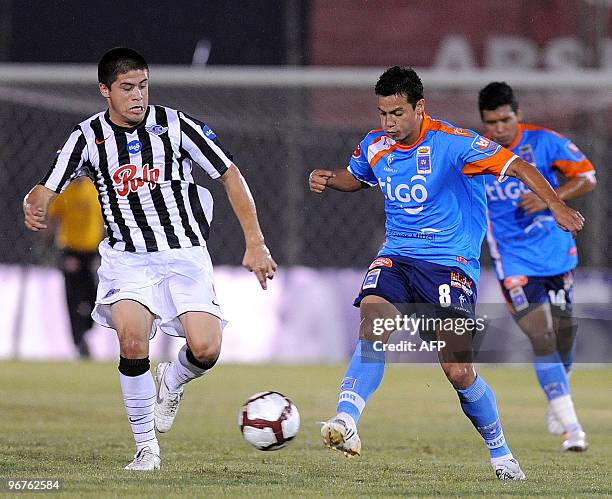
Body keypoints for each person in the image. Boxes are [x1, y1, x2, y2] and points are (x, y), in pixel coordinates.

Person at [309, 66, 584, 480]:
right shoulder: (375, 144)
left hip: (449, 267)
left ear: (420, 107)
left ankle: (501, 452)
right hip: (397, 257)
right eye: (383, 114)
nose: (388, 123)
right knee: (374, 318)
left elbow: (520, 168)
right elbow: (357, 177)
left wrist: (556, 204)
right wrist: (331, 179)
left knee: (458, 370)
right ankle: (346, 419)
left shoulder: (457, 144)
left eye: (397, 113)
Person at [23, 47, 277, 471]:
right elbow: (44, 188)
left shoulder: (175, 125)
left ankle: (173, 379)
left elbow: (230, 173)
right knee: (132, 339)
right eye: (127, 88)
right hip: (128, 260)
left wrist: (256, 242)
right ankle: (146, 449)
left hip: (185, 254)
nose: (138, 96)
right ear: (105, 90)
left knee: (207, 348)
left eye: (143, 86)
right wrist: (33, 203)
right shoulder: (86, 138)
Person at [478, 82, 596, 452]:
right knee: (541, 337)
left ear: (519, 114)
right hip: (512, 261)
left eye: (505, 119)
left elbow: (587, 177)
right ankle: (573, 428)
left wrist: (551, 198)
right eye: (491, 122)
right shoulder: (479, 154)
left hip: (556, 256)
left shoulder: (546, 142)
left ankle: (557, 395)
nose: (499, 128)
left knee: (565, 336)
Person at [47, 176, 104, 358]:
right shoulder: (64, 191)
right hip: (70, 251)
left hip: (91, 251)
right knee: (73, 296)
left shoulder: (95, 190)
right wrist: (48, 245)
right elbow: (53, 217)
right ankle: (78, 340)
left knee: (94, 294)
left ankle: (86, 327)